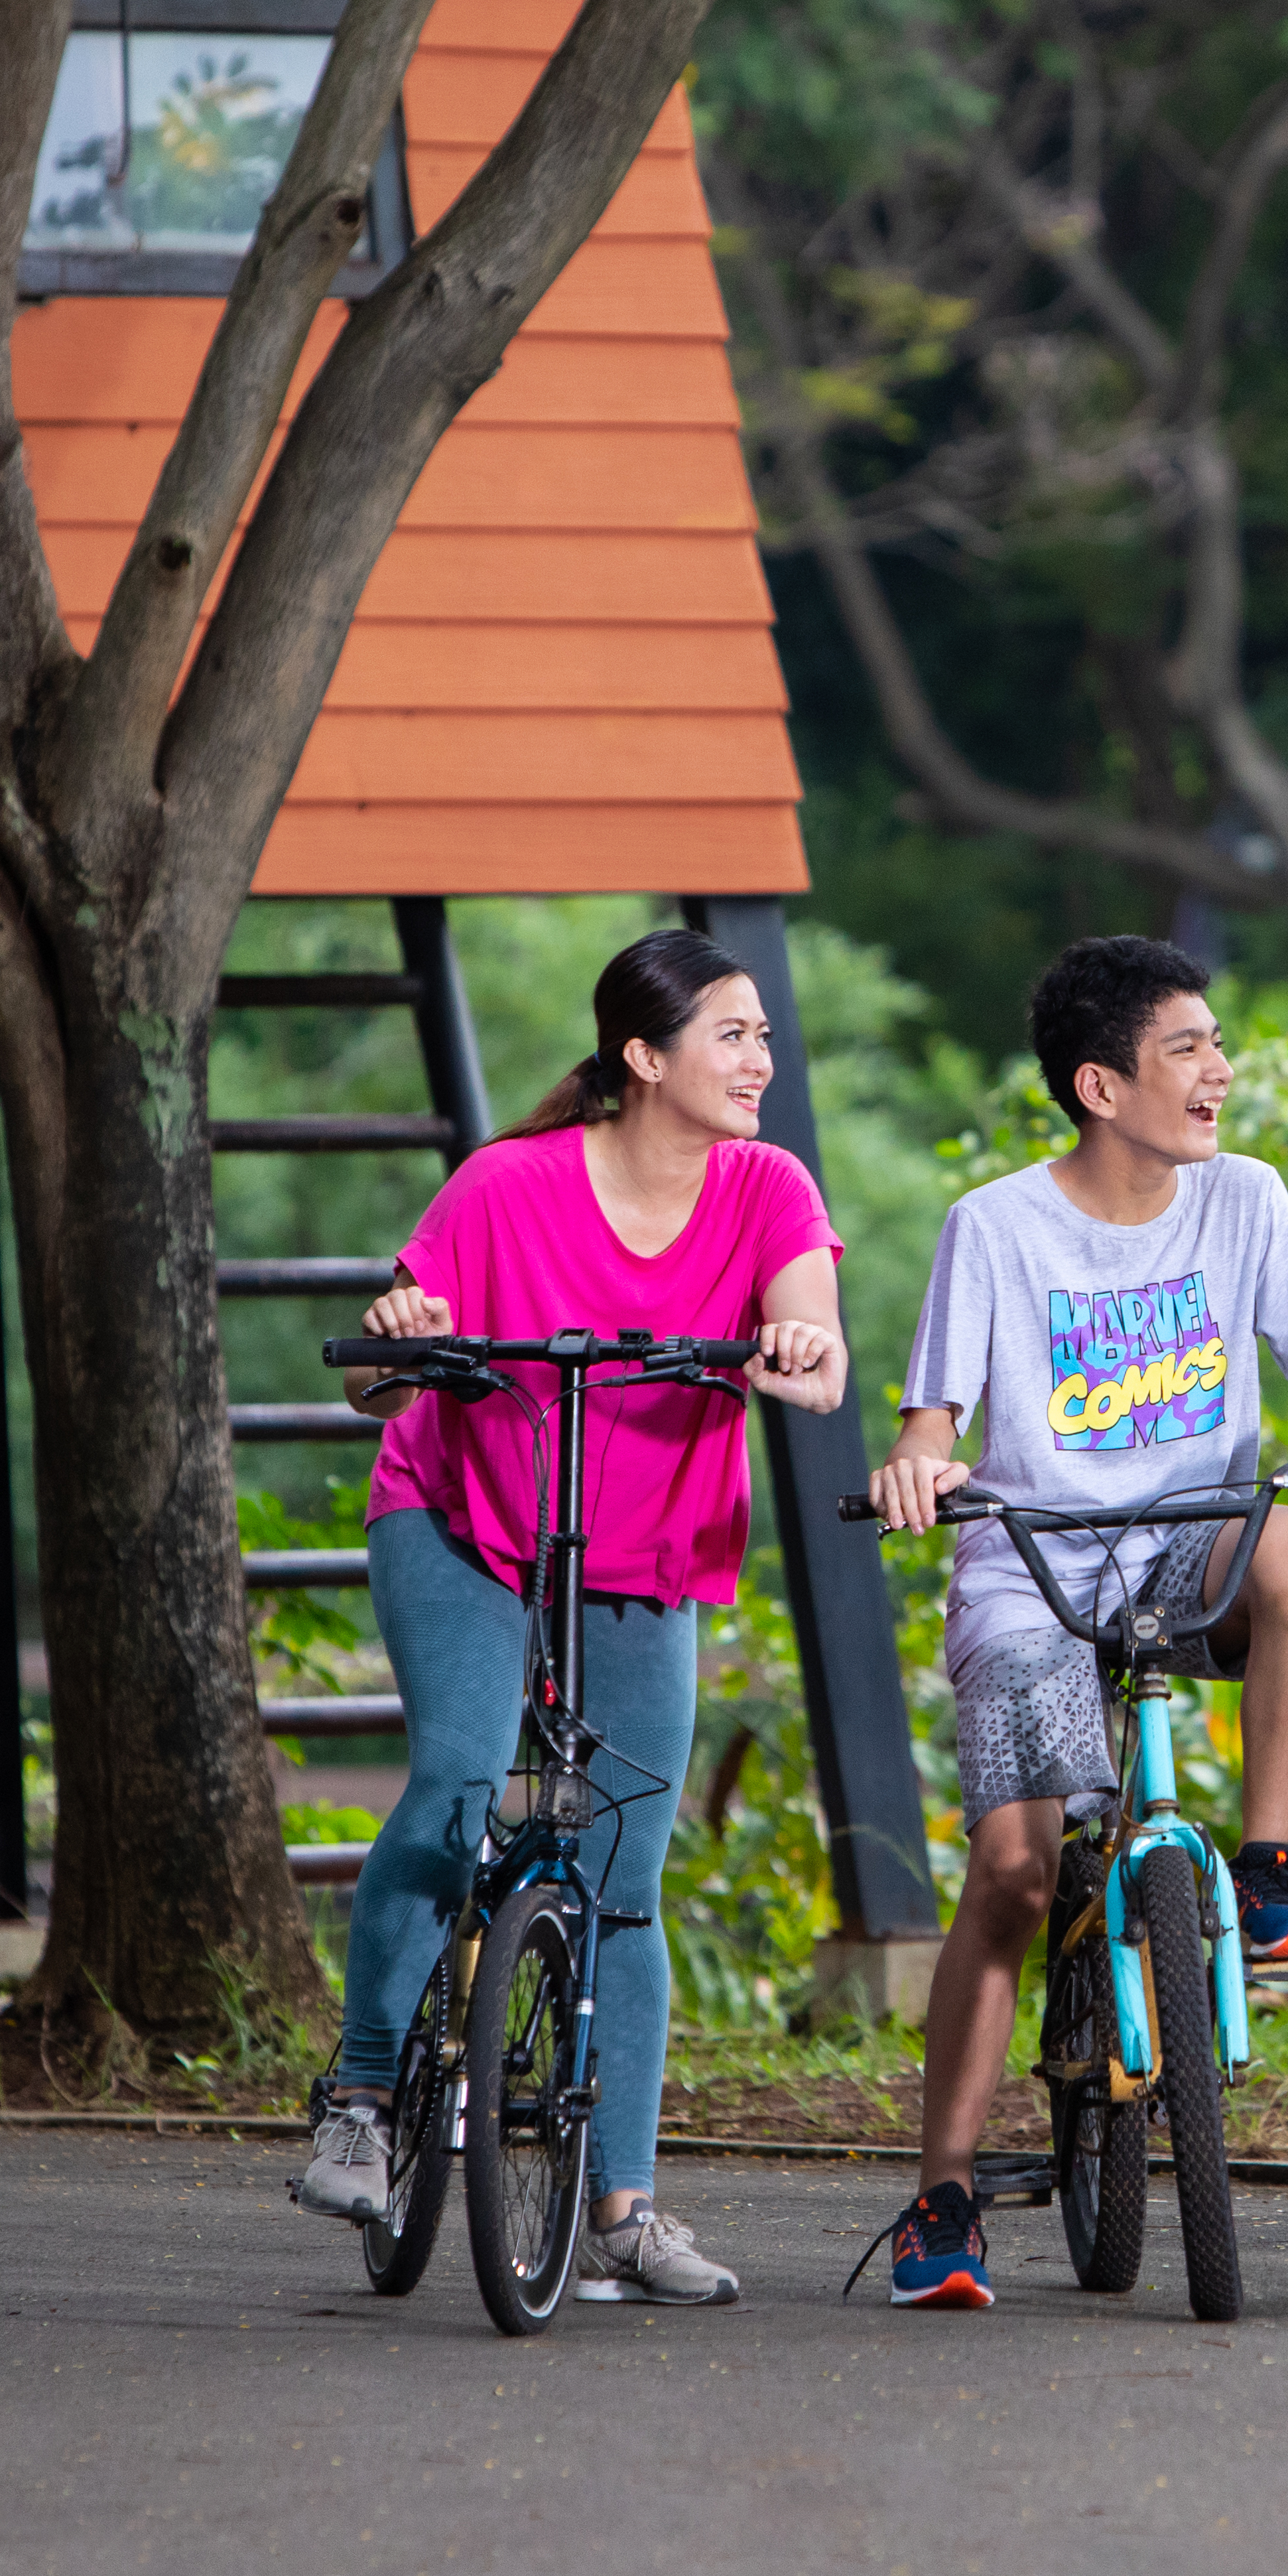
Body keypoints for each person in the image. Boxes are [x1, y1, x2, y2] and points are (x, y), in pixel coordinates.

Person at [854, 935, 1288, 2308]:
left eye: (1217, 1044)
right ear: (1101, 1084)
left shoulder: (1246, 1199)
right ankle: (944, 2190)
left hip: (1187, 1541)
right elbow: (932, 1425)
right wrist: (919, 1472)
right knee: (1012, 1869)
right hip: (1033, 1560)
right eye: (1189, 1048)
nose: (1220, 1071)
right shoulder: (995, 1226)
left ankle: (1271, 1866)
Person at [287, 929, 850, 2307]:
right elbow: (382, 1379)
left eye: (763, 1034)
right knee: (461, 1778)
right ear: (647, 1056)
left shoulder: (768, 1186)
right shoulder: (505, 1187)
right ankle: (361, 2098)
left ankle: (624, 2209)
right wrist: (404, 1330)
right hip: (465, 1513)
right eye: (732, 1034)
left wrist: (798, 1346)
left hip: (648, 1544)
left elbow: (820, 1347)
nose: (759, 1059)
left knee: (624, 1875)